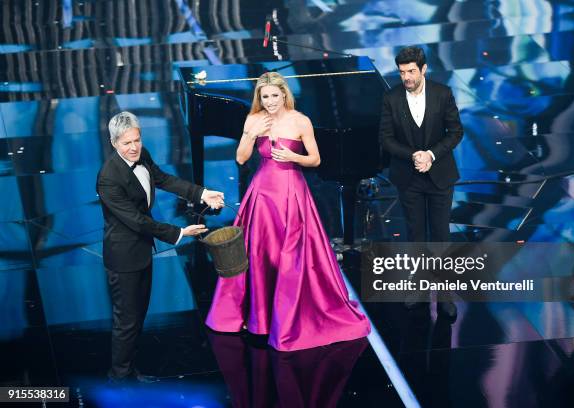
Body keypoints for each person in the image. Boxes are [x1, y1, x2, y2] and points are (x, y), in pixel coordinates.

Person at [205, 72, 371, 351]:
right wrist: (250, 134)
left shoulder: (300, 120)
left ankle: (290, 317)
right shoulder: (254, 120)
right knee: (259, 253)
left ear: (284, 94)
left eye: (274, 96)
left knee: (292, 256)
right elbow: (241, 158)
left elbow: (315, 159)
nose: (270, 101)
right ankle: (259, 316)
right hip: (262, 193)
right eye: (265, 97)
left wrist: (294, 157)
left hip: (291, 193)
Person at [97, 111, 224, 382]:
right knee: (126, 323)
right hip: (124, 258)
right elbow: (138, 222)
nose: (133, 148)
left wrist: (201, 193)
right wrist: (179, 232)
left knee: (137, 317)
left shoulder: (141, 154)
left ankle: (129, 371)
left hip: (141, 252)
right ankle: (118, 379)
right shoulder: (108, 178)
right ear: (113, 143)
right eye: (126, 143)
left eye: (136, 140)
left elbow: (164, 179)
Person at [378, 46, 463, 319]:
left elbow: (456, 132)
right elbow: (386, 139)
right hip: (408, 177)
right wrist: (413, 155)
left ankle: (446, 295)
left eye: (412, 71)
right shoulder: (391, 98)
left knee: (441, 235)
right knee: (415, 235)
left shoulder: (442, 93)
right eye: (402, 72)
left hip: (440, 177)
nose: (407, 77)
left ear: (424, 69)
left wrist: (431, 154)